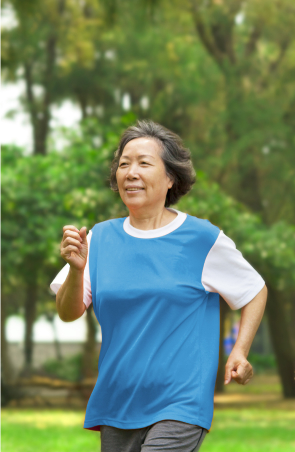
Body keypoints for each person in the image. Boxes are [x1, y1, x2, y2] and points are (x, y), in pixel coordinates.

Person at [51, 120, 267, 452]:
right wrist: (76, 269)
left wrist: (239, 350)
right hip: (118, 402)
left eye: (143, 163)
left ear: (170, 178)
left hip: (180, 402)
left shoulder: (201, 238)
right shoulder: (98, 238)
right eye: (124, 164)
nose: (130, 172)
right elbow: (68, 313)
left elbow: (253, 289)